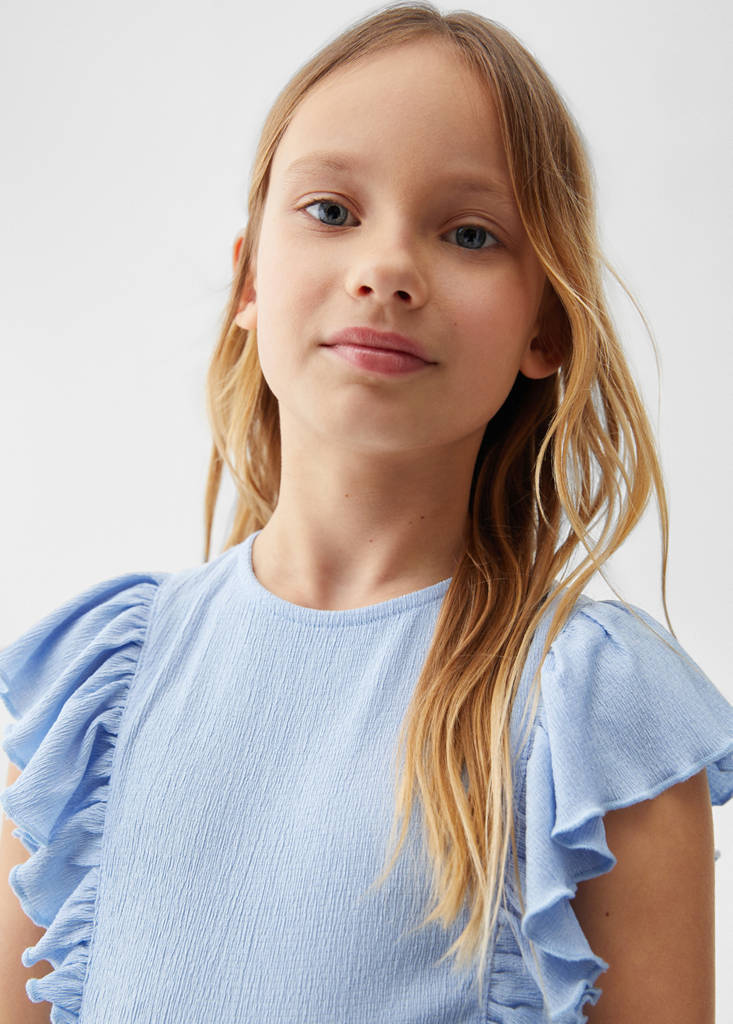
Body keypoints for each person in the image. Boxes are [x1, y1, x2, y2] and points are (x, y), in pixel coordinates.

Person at [1, 3, 731, 1022]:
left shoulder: (591, 715)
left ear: (547, 328)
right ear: (249, 278)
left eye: (469, 233)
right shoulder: (96, 693)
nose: (385, 270)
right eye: (331, 210)